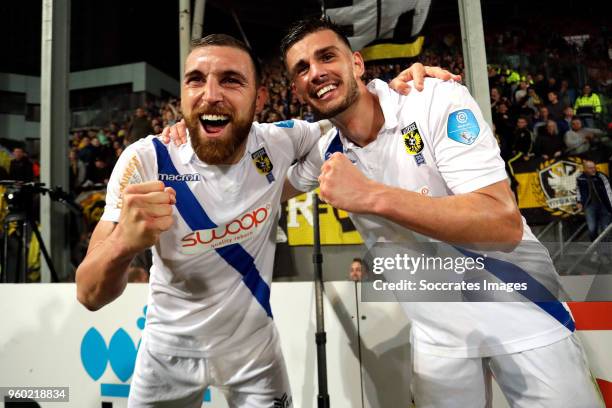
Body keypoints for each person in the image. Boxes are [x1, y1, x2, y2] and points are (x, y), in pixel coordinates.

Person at [76, 33, 454, 408]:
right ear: (184, 96)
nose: (210, 94)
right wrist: (124, 243)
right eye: (196, 80)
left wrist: (395, 93)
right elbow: (89, 294)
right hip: (168, 354)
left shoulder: (279, 141)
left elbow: (353, 114)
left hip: (254, 353)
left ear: (259, 99)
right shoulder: (146, 161)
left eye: (230, 80)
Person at [280, 17, 603, 407]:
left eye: (326, 56)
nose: (316, 72)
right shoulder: (323, 150)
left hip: (526, 310)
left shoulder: (431, 98)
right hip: (438, 339)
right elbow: (252, 189)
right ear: (297, 88)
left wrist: (371, 196)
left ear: (357, 64)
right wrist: (183, 138)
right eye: (302, 69)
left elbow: (502, 223)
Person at [576, 159, 612, 260]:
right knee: (592, 229)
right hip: (590, 206)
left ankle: (605, 253)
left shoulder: (601, 176)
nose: (593, 170)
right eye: (590, 168)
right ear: (585, 169)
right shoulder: (580, 178)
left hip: (604, 206)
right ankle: (597, 251)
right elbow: (578, 191)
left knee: (606, 230)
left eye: (594, 167)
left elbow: (609, 192)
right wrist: (579, 202)